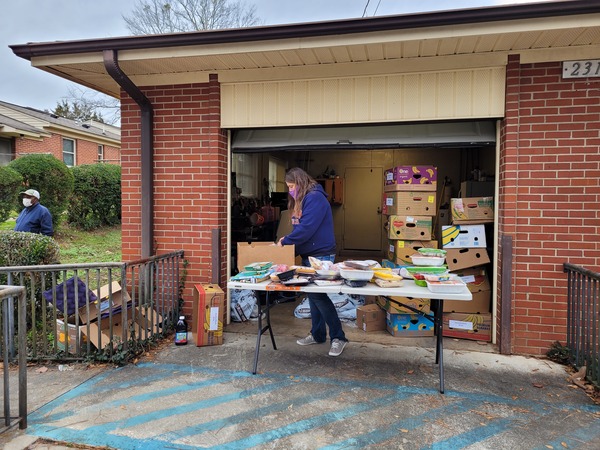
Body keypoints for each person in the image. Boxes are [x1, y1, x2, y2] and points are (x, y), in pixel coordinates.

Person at [277, 167, 348, 357]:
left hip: (321, 255)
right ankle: (317, 334)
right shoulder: (305, 199)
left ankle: (338, 337)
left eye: (292, 186)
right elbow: (300, 226)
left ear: (300, 182)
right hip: (310, 254)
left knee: (318, 297)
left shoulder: (314, 198)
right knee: (313, 296)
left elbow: (307, 228)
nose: (290, 190)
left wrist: (286, 241)